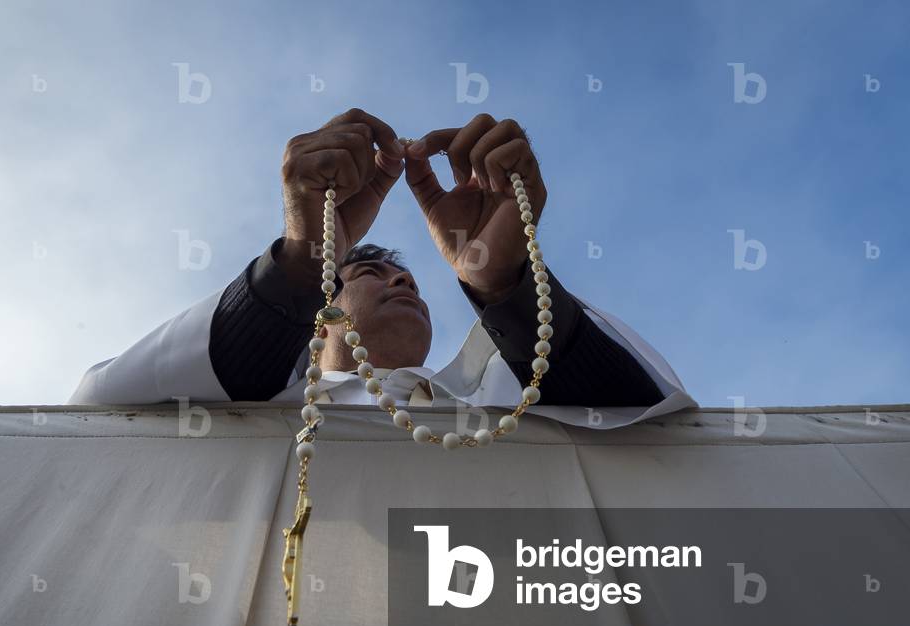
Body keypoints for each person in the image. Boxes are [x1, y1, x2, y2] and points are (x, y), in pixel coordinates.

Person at [69, 109, 695, 429]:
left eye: (413, 280)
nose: (403, 280)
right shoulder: (251, 399)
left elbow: (653, 421)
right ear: (319, 322)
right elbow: (98, 410)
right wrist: (306, 258)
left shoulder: (504, 399)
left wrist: (502, 283)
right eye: (370, 274)